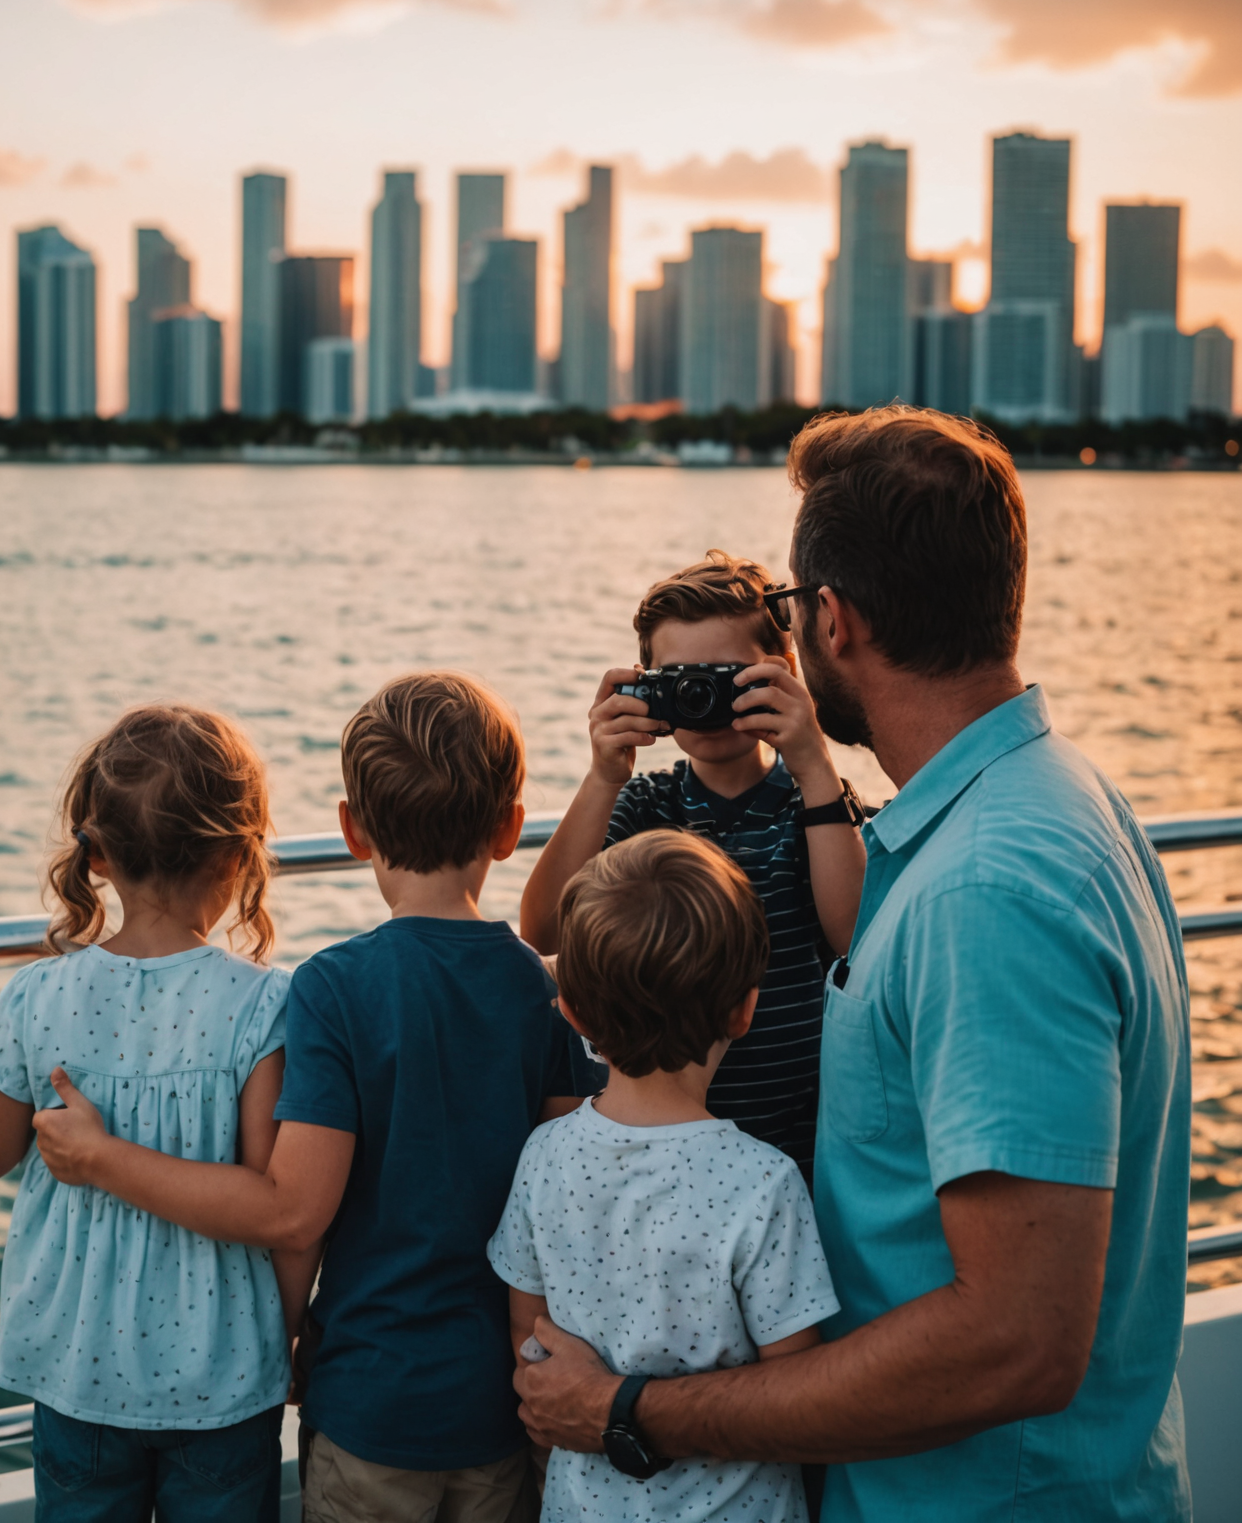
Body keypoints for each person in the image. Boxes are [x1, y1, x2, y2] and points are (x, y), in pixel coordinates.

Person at [513, 408, 1193, 1522]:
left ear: (829, 621)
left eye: (780, 612)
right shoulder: (1063, 800)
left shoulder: (987, 890)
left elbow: (1014, 1343)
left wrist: (637, 1411)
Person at [32, 670, 591, 1523]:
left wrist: (282, 1335)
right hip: (502, 1402)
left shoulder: (335, 988)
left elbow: (297, 1216)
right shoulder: (538, 989)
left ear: (352, 831)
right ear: (511, 829)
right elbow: (561, 1198)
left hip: (369, 1396)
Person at [0, 704, 314, 1523]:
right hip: (221, 1370)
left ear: (100, 855)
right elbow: (274, 1204)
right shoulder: (262, 1006)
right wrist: (284, 1335)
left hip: (76, 1368)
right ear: (236, 853)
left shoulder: (37, 996)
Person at [491, 829, 838, 1523]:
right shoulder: (764, 1185)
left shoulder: (544, 1156)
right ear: (745, 1009)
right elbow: (796, 1394)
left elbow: (532, 1347)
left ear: (572, 1011)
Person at [520, 551, 866, 1180]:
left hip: (800, 1147)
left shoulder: (815, 806)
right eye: (680, 679)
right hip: (656, 1151)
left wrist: (814, 758)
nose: (703, 697)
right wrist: (603, 775)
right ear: (646, 686)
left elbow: (856, 937)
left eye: (727, 676)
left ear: (782, 673)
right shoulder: (642, 804)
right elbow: (543, 933)